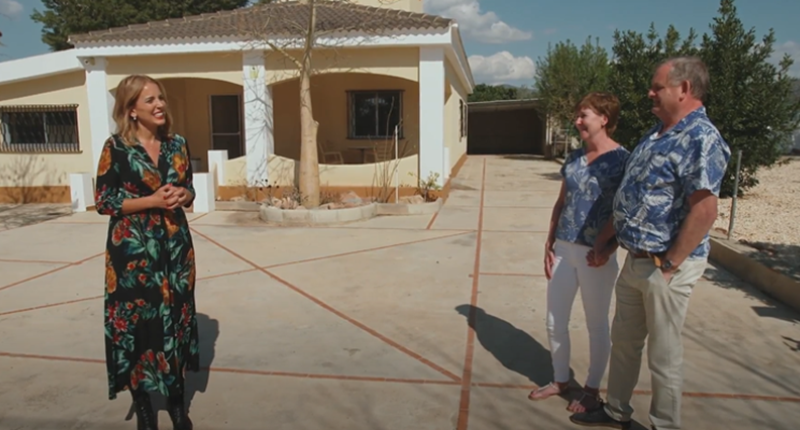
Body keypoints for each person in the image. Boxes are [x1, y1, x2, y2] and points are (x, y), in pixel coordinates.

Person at [570, 56, 731, 430]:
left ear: (684, 89)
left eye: (657, 87)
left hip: (665, 267)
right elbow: (633, 196)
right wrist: (610, 242)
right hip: (635, 260)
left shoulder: (700, 138)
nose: (650, 93)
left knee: (664, 355)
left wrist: (669, 266)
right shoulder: (655, 134)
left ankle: (664, 424)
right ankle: (616, 411)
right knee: (625, 343)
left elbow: (704, 211)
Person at [95, 74, 199, 430]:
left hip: (175, 248)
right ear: (132, 110)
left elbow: (189, 187)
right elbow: (104, 201)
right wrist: (151, 201)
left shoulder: (177, 144)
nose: (158, 105)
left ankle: (176, 403)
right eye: (149, 100)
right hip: (133, 254)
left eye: (160, 98)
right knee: (140, 325)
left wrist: (184, 196)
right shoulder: (116, 148)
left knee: (177, 320)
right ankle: (142, 403)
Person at [528, 92, 630, 413]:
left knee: (596, 325)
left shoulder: (623, 161)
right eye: (577, 115)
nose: (577, 121)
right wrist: (548, 242)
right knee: (554, 319)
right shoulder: (573, 158)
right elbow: (562, 202)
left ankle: (590, 389)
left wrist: (609, 248)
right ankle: (560, 380)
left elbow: (626, 212)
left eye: (583, 115)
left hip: (594, 257)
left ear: (604, 118)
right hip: (563, 249)